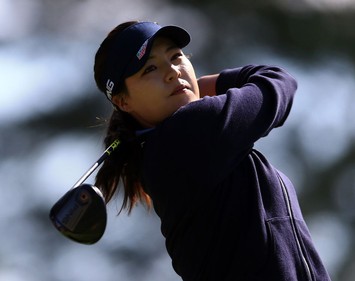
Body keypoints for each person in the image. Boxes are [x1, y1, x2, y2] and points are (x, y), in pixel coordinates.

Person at [93, 21, 331, 281]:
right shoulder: (188, 131)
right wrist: (203, 85)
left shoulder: (161, 147)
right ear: (122, 101)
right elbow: (278, 83)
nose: (172, 72)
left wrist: (187, 89)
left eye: (176, 56)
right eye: (149, 68)